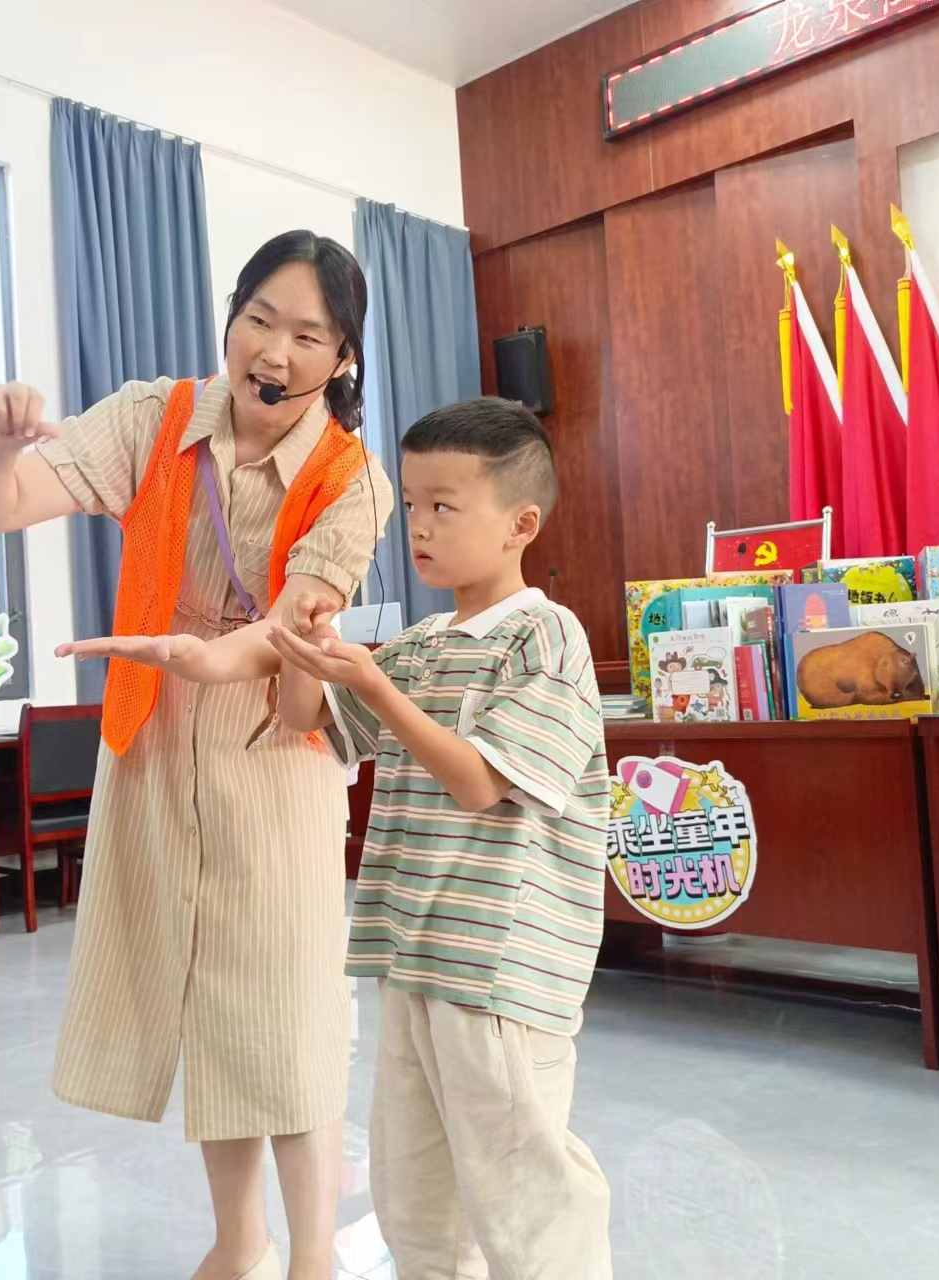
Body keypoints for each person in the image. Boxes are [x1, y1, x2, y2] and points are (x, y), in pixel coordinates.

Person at [0, 231, 392, 1280]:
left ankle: (314, 1256)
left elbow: (291, 629)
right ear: (230, 316)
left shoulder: (355, 479)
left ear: (341, 357)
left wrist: (204, 655)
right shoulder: (154, 415)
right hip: (151, 736)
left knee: (285, 1005)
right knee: (205, 1001)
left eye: (306, 336)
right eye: (258, 320)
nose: (273, 352)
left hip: (271, 745)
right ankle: (239, 1243)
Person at [115, 398, 613, 1276]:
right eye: (412, 505)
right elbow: (308, 720)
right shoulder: (421, 643)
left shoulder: (545, 636)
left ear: (521, 525)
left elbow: (480, 782)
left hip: (499, 970)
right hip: (415, 957)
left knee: (521, 1193)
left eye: (444, 507)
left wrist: (377, 686)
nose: (419, 527)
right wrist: (307, 646)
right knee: (416, 1199)